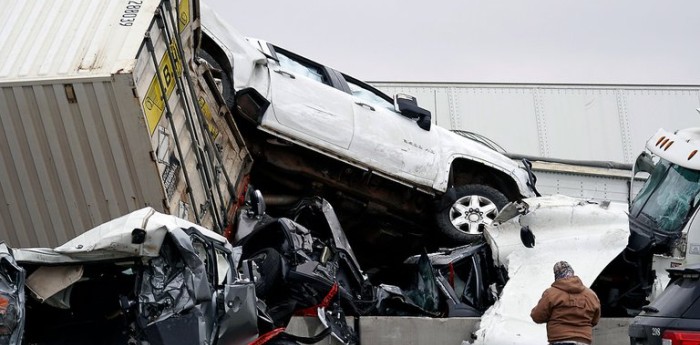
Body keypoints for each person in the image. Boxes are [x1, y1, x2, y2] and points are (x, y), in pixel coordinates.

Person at [530, 261, 601, 345]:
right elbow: (595, 320)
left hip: (560, 339)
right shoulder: (591, 295)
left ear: (556, 275)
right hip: (584, 340)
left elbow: (537, 317)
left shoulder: (551, 293)